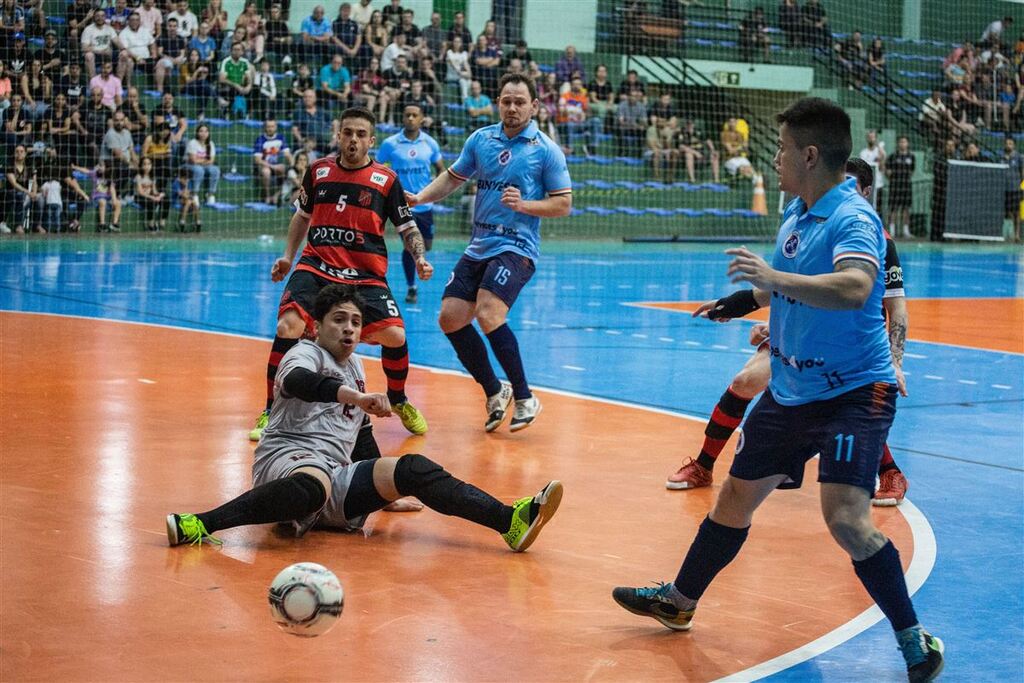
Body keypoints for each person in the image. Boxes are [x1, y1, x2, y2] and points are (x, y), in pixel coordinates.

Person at [612, 98, 943, 683]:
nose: (775, 157)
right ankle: (680, 602)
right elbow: (785, 286)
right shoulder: (797, 210)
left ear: (810, 155)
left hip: (853, 393)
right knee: (734, 501)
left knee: (845, 519)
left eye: (783, 147)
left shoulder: (853, 218)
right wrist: (745, 300)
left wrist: (771, 278)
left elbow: (853, 286)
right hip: (791, 390)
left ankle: (914, 639)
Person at [169, 284, 564, 554]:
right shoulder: (304, 354)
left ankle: (510, 521)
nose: (349, 329)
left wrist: (384, 489)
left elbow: (360, 436)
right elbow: (303, 384)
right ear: (317, 326)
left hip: (334, 475)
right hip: (287, 462)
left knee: (412, 468)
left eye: (356, 323)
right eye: (339, 319)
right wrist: (353, 396)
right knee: (311, 486)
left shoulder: (356, 365)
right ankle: (201, 523)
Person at [668, 157, 912, 508]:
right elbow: (783, 285)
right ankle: (703, 466)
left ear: (866, 192)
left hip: (845, 342)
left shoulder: (872, 237)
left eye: (850, 186)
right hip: (798, 333)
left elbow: (896, 308)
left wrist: (895, 360)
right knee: (744, 382)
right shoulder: (804, 219)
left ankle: (891, 472)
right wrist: (737, 305)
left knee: (840, 395)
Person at [249, 107, 433, 442]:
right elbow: (302, 217)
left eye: (361, 135)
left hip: (364, 275)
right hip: (316, 265)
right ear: (339, 135)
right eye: (347, 132)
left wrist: (419, 258)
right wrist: (288, 257)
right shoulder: (318, 172)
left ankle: (399, 399)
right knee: (287, 326)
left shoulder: (386, 181)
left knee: (395, 336)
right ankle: (270, 407)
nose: (353, 140)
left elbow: (408, 228)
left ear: (371, 141)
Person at [406, 73, 572, 433]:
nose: (512, 108)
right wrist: (420, 197)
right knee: (450, 317)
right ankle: (496, 392)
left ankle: (526, 398)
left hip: (517, 245)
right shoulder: (481, 140)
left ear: (534, 106)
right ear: (499, 103)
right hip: (479, 245)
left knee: (488, 310)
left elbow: (563, 204)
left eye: (520, 102)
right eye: (506, 101)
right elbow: (452, 177)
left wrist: (525, 205)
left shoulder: (545, 149)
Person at [376, 102, 445, 304]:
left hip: (424, 203)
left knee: (426, 245)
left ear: (422, 118)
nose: (411, 118)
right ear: (403, 117)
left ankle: (418, 263)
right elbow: (378, 168)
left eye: (415, 115)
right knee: (410, 246)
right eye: (407, 115)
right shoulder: (390, 143)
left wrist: (435, 189)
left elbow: (441, 168)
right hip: (402, 205)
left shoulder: (430, 143)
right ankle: (411, 288)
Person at [253, 118, 292, 205]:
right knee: (266, 171)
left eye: (272, 126)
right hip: (265, 166)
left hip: (278, 166)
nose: (270, 128)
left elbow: (287, 154)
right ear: (264, 127)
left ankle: (277, 195)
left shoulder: (281, 138)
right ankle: (267, 196)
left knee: (287, 170)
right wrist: (273, 166)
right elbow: (257, 160)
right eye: (268, 127)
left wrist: (292, 165)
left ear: (276, 127)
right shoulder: (260, 139)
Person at [886, 135, 915, 239]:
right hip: (895, 186)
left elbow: (911, 171)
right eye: (901, 142)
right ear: (898, 144)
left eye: (904, 142)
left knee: (906, 209)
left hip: (906, 186)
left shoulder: (911, 157)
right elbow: (888, 172)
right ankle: (892, 231)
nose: (903, 144)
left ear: (907, 144)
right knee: (893, 209)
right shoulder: (892, 156)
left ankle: (906, 231)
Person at [187, 122, 220, 206]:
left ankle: (210, 194)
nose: (203, 133)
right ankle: (194, 194)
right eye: (201, 131)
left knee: (215, 170)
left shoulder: (211, 144)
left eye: (206, 131)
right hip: (189, 165)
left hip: (205, 165)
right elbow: (193, 160)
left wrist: (201, 160)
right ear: (197, 133)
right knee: (199, 170)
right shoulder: (192, 143)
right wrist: (205, 160)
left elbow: (212, 160)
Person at [678, 119, 720, 184]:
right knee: (688, 155)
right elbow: (681, 147)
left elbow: (708, 140)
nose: (689, 126)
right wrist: (695, 153)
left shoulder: (698, 131)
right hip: (687, 156)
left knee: (714, 155)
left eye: (691, 124)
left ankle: (716, 180)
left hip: (702, 154)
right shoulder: (682, 132)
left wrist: (713, 150)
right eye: (688, 124)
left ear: (693, 124)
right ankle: (692, 180)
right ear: (686, 125)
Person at [136, 156, 168, 231]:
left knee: (166, 199)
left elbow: (154, 191)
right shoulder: (139, 176)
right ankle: (150, 224)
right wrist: (152, 197)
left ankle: (162, 222)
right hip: (139, 197)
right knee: (150, 202)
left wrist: (159, 195)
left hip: (150, 196)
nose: (147, 166)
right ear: (141, 166)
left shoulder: (152, 176)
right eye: (144, 164)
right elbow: (140, 192)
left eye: (149, 164)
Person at [858, 129, 885, 211]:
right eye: (869, 137)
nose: (871, 139)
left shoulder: (880, 152)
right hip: (867, 186)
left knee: (877, 210)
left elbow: (882, 168)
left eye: (873, 137)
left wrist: (881, 157)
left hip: (878, 185)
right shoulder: (863, 153)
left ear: (876, 138)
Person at [1003, 136, 1023, 242]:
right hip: (1004, 189)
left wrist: (1021, 185)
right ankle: (1008, 234)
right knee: (1008, 213)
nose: (1008, 145)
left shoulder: (1019, 157)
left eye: (1010, 143)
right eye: (1007, 143)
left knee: (1016, 212)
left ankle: (1017, 234)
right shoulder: (1001, 156)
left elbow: (1022, 172)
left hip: (1015, 188)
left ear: (1014, 145)